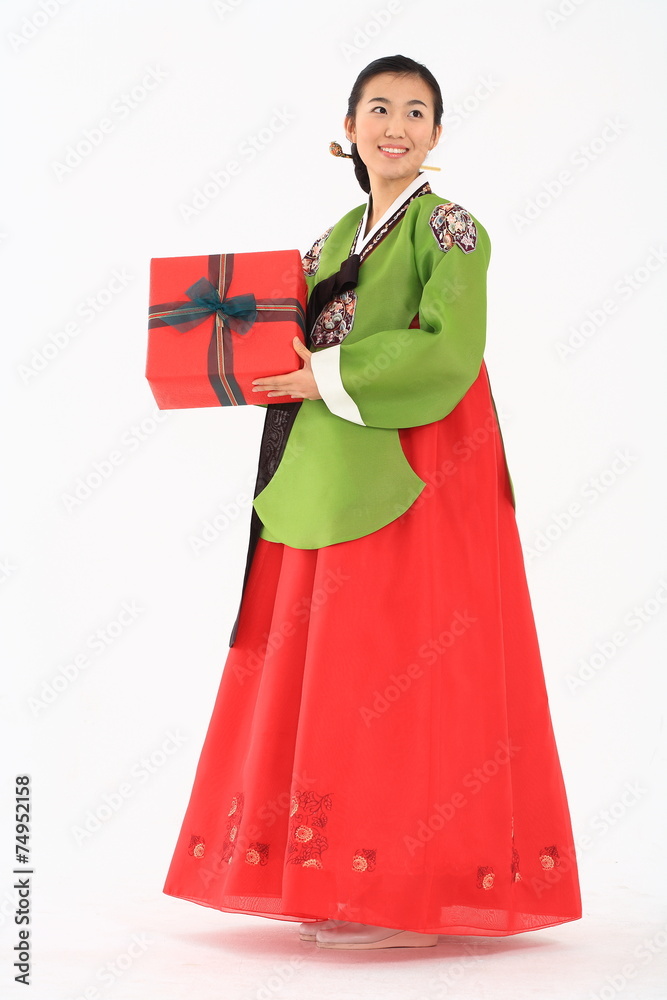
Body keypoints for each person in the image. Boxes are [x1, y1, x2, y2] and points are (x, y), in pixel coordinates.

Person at [162, 54, 582, 951]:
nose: (396, 125)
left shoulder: (450, 228)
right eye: (379, 108)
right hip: (332, 471)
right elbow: (277, 337)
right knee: (332, 663)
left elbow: (448, 346)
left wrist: (321, 373)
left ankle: (406, 884)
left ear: (436, 135)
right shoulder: (327, 243)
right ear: (348, 128)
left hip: (420, 466)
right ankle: (336, 875)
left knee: (400, 658)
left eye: (416, 111)